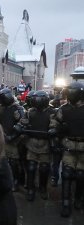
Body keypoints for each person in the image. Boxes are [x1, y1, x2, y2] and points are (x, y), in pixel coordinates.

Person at [49, 82, 84, 217]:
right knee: (66, 174)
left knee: (81, 176)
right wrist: (55, 130)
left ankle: (79, 198)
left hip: (83, 148)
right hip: (69, 145)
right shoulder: (63, 109)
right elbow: (54, 123)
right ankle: (65, 202)